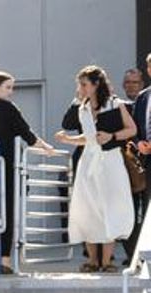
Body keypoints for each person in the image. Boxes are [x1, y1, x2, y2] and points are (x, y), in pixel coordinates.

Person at [0, 72, 55, 274]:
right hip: (6, 167)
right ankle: (4, 261)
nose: (11, 92)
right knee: (7, 211)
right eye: (7, 87)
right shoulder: (7, 108)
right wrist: (47, 148)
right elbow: (27, 134)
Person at [54, 66, 137, 272]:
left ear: (96, 84)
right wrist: (68, 139)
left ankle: (107, 261)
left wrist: (112, 136)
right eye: (79, 84)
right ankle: (92, 260)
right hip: (87, 162)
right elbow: (87, 138)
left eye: (83, 84)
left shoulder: (115, 104)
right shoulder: (82, 108)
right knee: (87, 208)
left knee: (109, 207)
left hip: (111, 162)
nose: (80, 88)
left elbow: (132, 129)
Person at [129, 53, 151, 264]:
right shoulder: (143, 97)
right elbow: (134, 129)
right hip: (147, 161)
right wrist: (139, 143)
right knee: (147, 208)